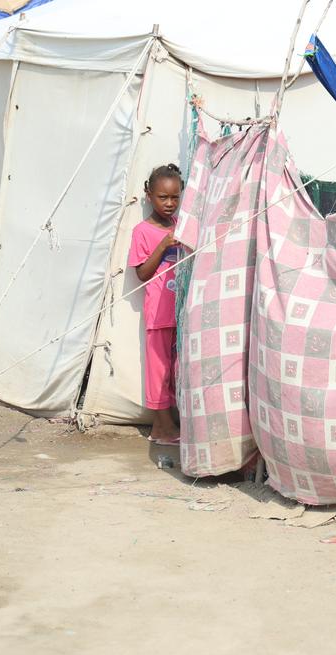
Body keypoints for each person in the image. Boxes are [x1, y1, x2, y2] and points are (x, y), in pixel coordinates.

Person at [128, 164, 184, 445]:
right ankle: (162, 427)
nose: (170, 203)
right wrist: (163, 245)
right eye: (163, 197)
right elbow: (142, 273)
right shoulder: (142, 231)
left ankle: (171, 423)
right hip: (159, 313)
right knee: (158, 371)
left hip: (181, 311)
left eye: (175, 197)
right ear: (149, 195)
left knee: (176, 370)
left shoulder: (181, 225)